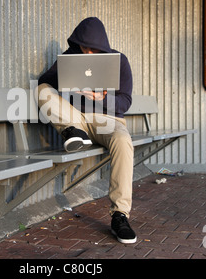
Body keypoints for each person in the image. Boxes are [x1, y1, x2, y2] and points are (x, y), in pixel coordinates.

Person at [36, 17, 136, 244]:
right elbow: (45, 83)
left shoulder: (119, 61)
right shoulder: (70, 56)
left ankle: (120, 215)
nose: (89, 52)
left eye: (94, 48)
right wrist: (68, 81)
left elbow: (126, 102)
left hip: (107, 120)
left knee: (122, 142)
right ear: (77, 43)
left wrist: (103, 98)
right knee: (42, 90)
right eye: (84, 47)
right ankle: (74, 132)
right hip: (75, 118)